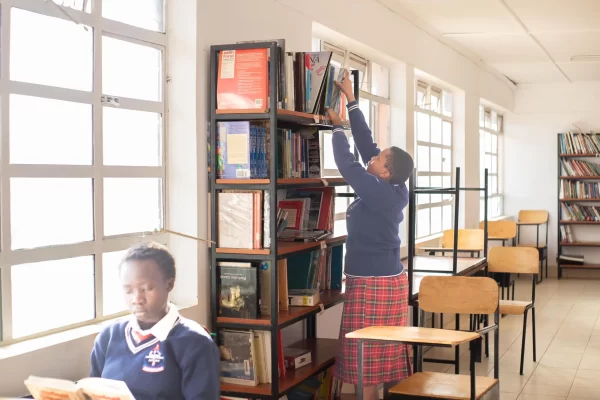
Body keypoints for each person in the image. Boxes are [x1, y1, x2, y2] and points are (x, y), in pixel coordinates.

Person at [327, 69, 414, 400]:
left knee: (368, 361)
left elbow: (348, 166)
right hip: (375, 279)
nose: (373, 157)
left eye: (379, 159)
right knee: (370, 359)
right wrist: (351, 100)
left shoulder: (381, 192)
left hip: (375, 283)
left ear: (386, 171)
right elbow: (365, 144)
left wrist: (336, 129)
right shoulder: (388, 184)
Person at [90, 242, 220, 400]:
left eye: (146, 289)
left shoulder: (195, 343)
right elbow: (92, 392)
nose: (137, 299)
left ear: (169, 284)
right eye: (128, 291)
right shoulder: (109, 336)